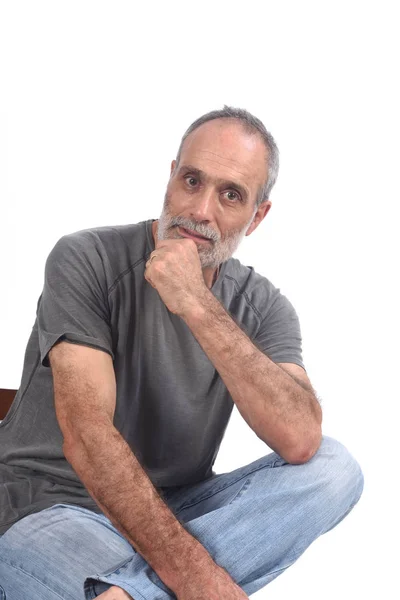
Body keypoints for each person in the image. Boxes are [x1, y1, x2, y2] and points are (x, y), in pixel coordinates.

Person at [0, 105, 364, 600]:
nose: (200, 211)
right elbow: (87, 438)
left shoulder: (263, 305)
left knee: (336, 470)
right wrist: (203, 582)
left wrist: (196, 302)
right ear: (171, 176)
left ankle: (132, 589)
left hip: (174, 509)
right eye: (192, 181)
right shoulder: (85, 258)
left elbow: (300, 438)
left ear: (257, 216)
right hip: (49, 504)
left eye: (230, 195)